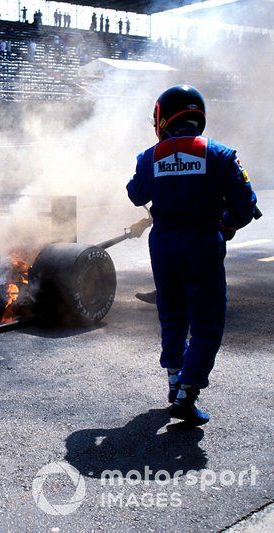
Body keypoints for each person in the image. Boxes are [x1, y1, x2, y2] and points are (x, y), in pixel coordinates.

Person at [126, 85, 257, 425]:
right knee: (208, 323)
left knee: (172, 314)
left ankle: (174, 380)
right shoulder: (221, 154)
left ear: (163, 118)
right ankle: (187, 392)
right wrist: (226, 225)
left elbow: (134, 192)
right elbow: (245, 208)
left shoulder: (149, 156)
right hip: (202, 242)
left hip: (164, 243)